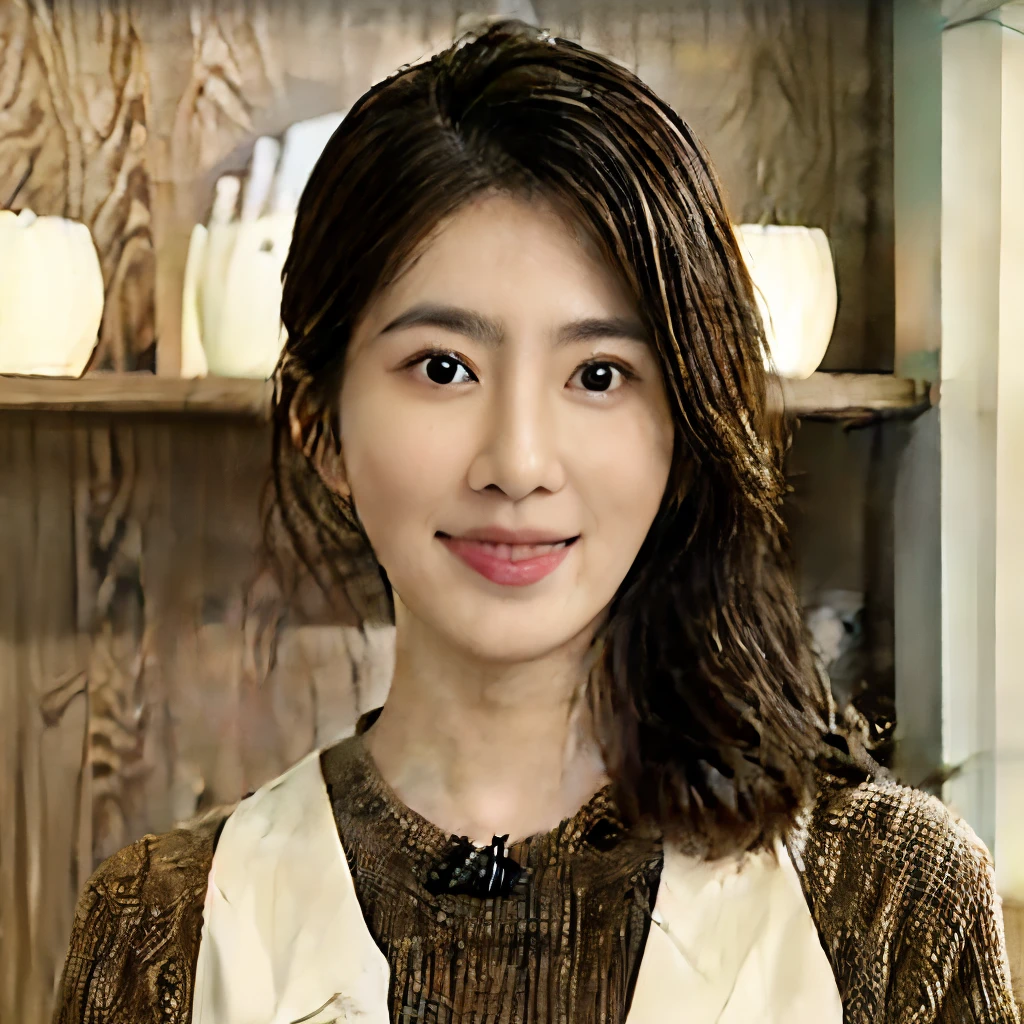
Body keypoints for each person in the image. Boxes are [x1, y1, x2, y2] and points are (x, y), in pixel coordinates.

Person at [53, 19, 1021, 1024]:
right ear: (319, 422)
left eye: (598, 375)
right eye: (443, 367)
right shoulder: (166, 926)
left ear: (684, 429)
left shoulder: (886, 901)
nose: (517, 462)